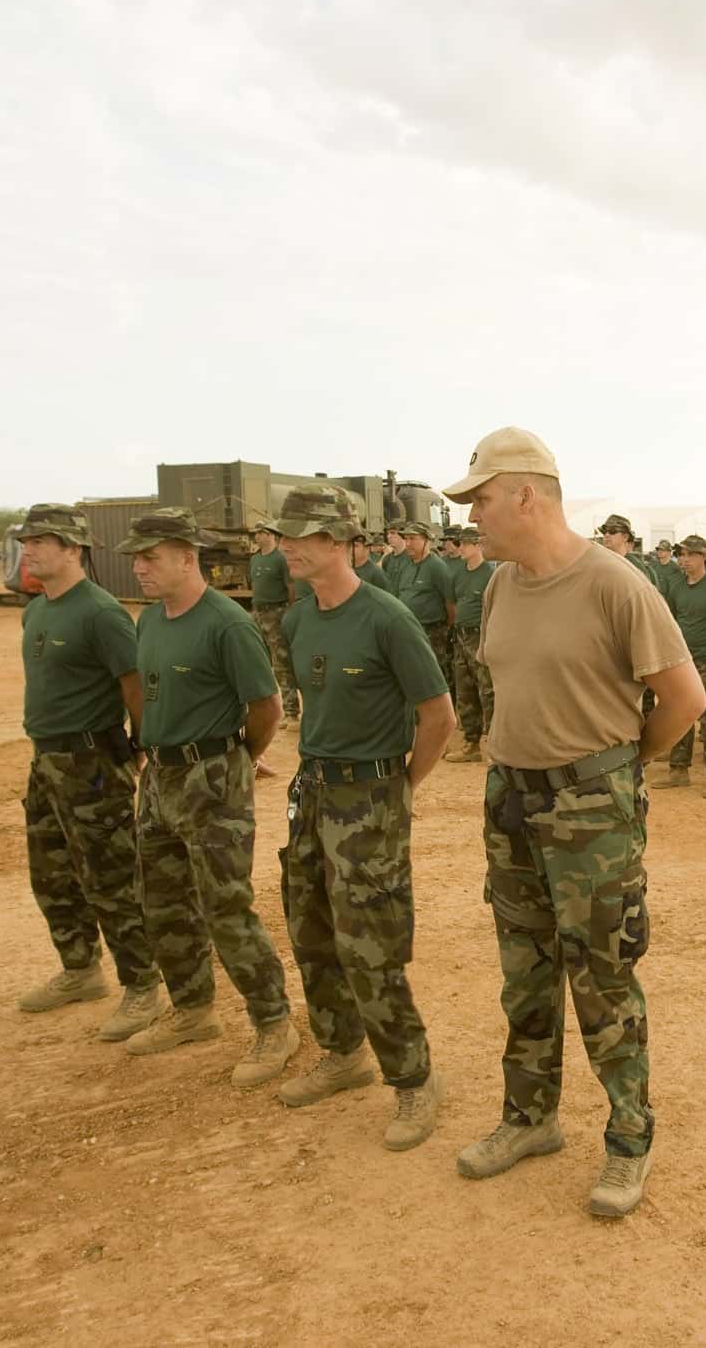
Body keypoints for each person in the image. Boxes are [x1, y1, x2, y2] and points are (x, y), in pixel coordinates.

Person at [447, 428, 702, 1218]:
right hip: (511, 803)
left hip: (590, 814)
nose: (473, 519)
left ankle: (629, 1139)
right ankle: (529, 1120)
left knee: (602, 978)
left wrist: (617, 773)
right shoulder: (499, 587)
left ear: (527, 495)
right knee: (524, 973)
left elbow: (684, 701)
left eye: (481, 501)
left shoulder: (615, 585)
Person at [266, 487, 453, 1150]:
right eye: (285, 535)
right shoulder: (298, 620)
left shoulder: (387, 618)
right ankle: (343, 1052)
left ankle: (413, 1077)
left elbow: (439, 717)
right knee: (311, 928)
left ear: (342, 541)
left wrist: (400, 787)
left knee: (370, 945)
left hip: (370, 796)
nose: (288, 546)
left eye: (302, 536)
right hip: (312, 789)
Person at [114, 506, 300, 1086]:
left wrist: (236, 758)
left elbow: (265, 707)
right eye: (136, 558)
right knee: (161, 900)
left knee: (225, 905)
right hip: (160, 779)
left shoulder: (227, 624)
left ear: (187, 557)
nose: (139, 568)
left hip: (212, 777)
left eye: (150, 557)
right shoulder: (149, 622)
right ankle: (192, 1009)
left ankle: (274, 1023)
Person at [12, 503, 161, 1042]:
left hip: (92, 761)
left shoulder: (101, 613)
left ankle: (143, 982)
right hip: (45, 760)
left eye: (39, 541)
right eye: (25, 540)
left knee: (112, 876)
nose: (27, 549)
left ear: (73, 549)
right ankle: (79, 969)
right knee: (50, 872)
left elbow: (134, 685)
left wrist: (138, 749)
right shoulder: (37, 610)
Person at [655, 535, 706, 799]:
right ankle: (678, 771)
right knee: (679, 715)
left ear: (703, 557)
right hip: (682, 661)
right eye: (682, 555)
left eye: (690, 555)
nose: (684, 560)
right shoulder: (676, 586)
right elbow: (671, 621)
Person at [443, 528, 497, 764]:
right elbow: (454, 604)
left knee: (487, 691)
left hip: (480, 636)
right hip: (461, 636)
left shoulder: (490, 573)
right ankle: (471, 743)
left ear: (477, 545)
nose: (460, 548)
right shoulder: (459, 573)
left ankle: (496, 745)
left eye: (464, 544)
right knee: (465, 692)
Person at [390, 520, 459, 672]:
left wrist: (445, 629)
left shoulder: (437, 566)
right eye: (406, 538)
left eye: (412, 539)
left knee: (434, 671)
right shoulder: (405, 564)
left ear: (426, 540)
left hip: (432, 632)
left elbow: (450, 603)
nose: (408, 543)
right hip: (408, 630)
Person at [249, 524, 302, 719]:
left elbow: (290, 587)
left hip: (276, 612)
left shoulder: (280, 559)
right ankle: (269, 709)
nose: (257, 537)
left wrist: (288, 612)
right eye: (256, 533)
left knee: (281, 663)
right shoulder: (254, 559)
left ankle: (291, 711)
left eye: (261, 533)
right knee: (259, 660)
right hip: (258, 611)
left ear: (270, 536)